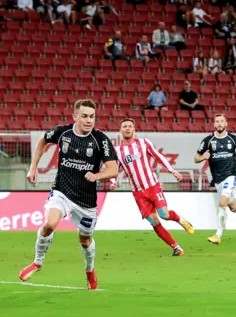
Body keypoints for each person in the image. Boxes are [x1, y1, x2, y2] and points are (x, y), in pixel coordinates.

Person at [20, 100, 118, 290]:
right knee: (49, 225)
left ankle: (89, 269)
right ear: (75, 116)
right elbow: (43, 140)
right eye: (85, 116)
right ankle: (38, 262)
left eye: (92, 117)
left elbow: (113, 168)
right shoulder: (62, 133)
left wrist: (98, 175)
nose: (89, 120)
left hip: (86, 201)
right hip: (62, 192)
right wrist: (33, 167)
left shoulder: (100, 140)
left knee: (85, 239)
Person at [109, 119, 194, 256]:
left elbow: (158, 156)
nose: (127, 128)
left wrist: (172, 170)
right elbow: (113, 169)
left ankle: (180, 219)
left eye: (130, 126)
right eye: (124, 126)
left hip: (153, 186)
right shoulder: (117, 151)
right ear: (120, 130)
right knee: (154, 221)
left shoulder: (144, 143)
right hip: (138, 193)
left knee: (164, 215)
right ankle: (176, 247)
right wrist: (113, 181)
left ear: (134, 129)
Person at [194, 114, 236, 245]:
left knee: (222, 202)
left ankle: (218, 235)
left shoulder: (233, 139)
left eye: (222, 121)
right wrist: (203, 157)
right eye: (217, 121)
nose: (219, 124)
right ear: (214, 124)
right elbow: (196, 158)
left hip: (231, 176)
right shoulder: (208, 140)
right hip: (218, 180)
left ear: (226, 124)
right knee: (233, 206)